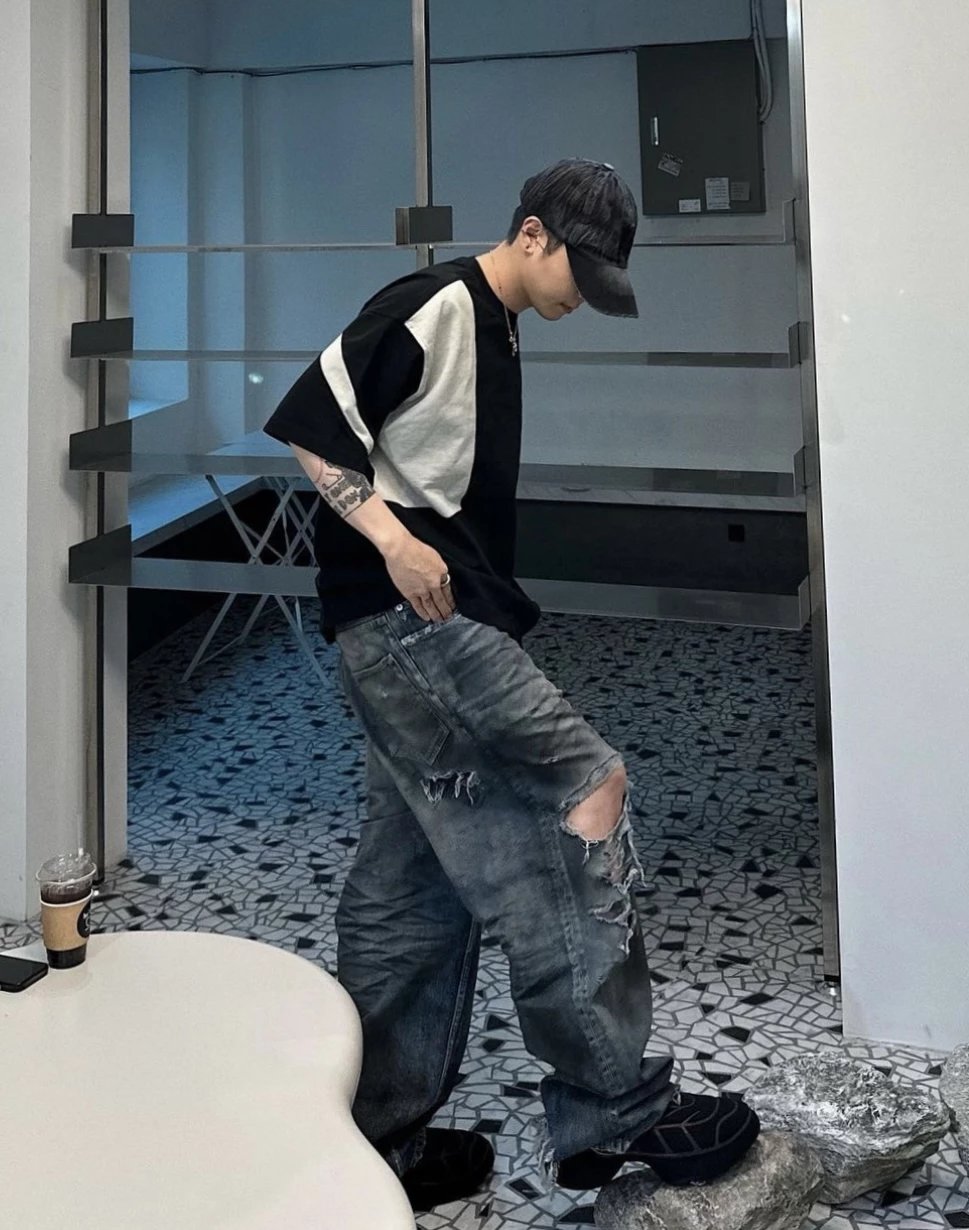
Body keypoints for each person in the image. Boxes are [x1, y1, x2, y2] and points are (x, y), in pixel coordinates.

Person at [263, 159, 760, 1212]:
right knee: (585, 788)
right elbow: (312, 420)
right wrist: (394, 542)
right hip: (417, 620)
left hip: (411, 627)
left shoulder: (498, 319)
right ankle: (611, 1109)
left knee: (411, 886)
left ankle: (375, 1146)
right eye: (578, 270)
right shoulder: (437, 302)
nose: (583, 295)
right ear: (531, 234)